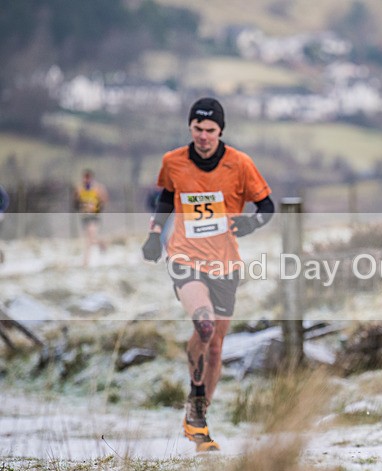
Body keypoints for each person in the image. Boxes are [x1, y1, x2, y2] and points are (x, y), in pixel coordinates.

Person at [141, 97, 275, 452]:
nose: (203, 136)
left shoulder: (240, 164)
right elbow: (167, 198)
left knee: (215, 348)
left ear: (220, 132)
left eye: (210, 130)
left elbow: (267, 206)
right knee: (204, 325)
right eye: (197, 129)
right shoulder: (173, 161)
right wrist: (155, 234)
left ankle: (198, 416)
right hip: (185, 256)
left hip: (225, 263)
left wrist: (250, 222)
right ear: (190, 128)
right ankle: (196, 403)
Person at [73, 169, 108, 266]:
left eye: (87, 178)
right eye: (85, 178)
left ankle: (86, 261)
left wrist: (96, 207)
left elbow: (104, 200)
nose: (86, 180)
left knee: (90, 237)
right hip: (84, 215)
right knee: (89, 238)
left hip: (94, 215)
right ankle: (101, 244)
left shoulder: (98, 188)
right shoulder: (79, 189)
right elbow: (75, 203)